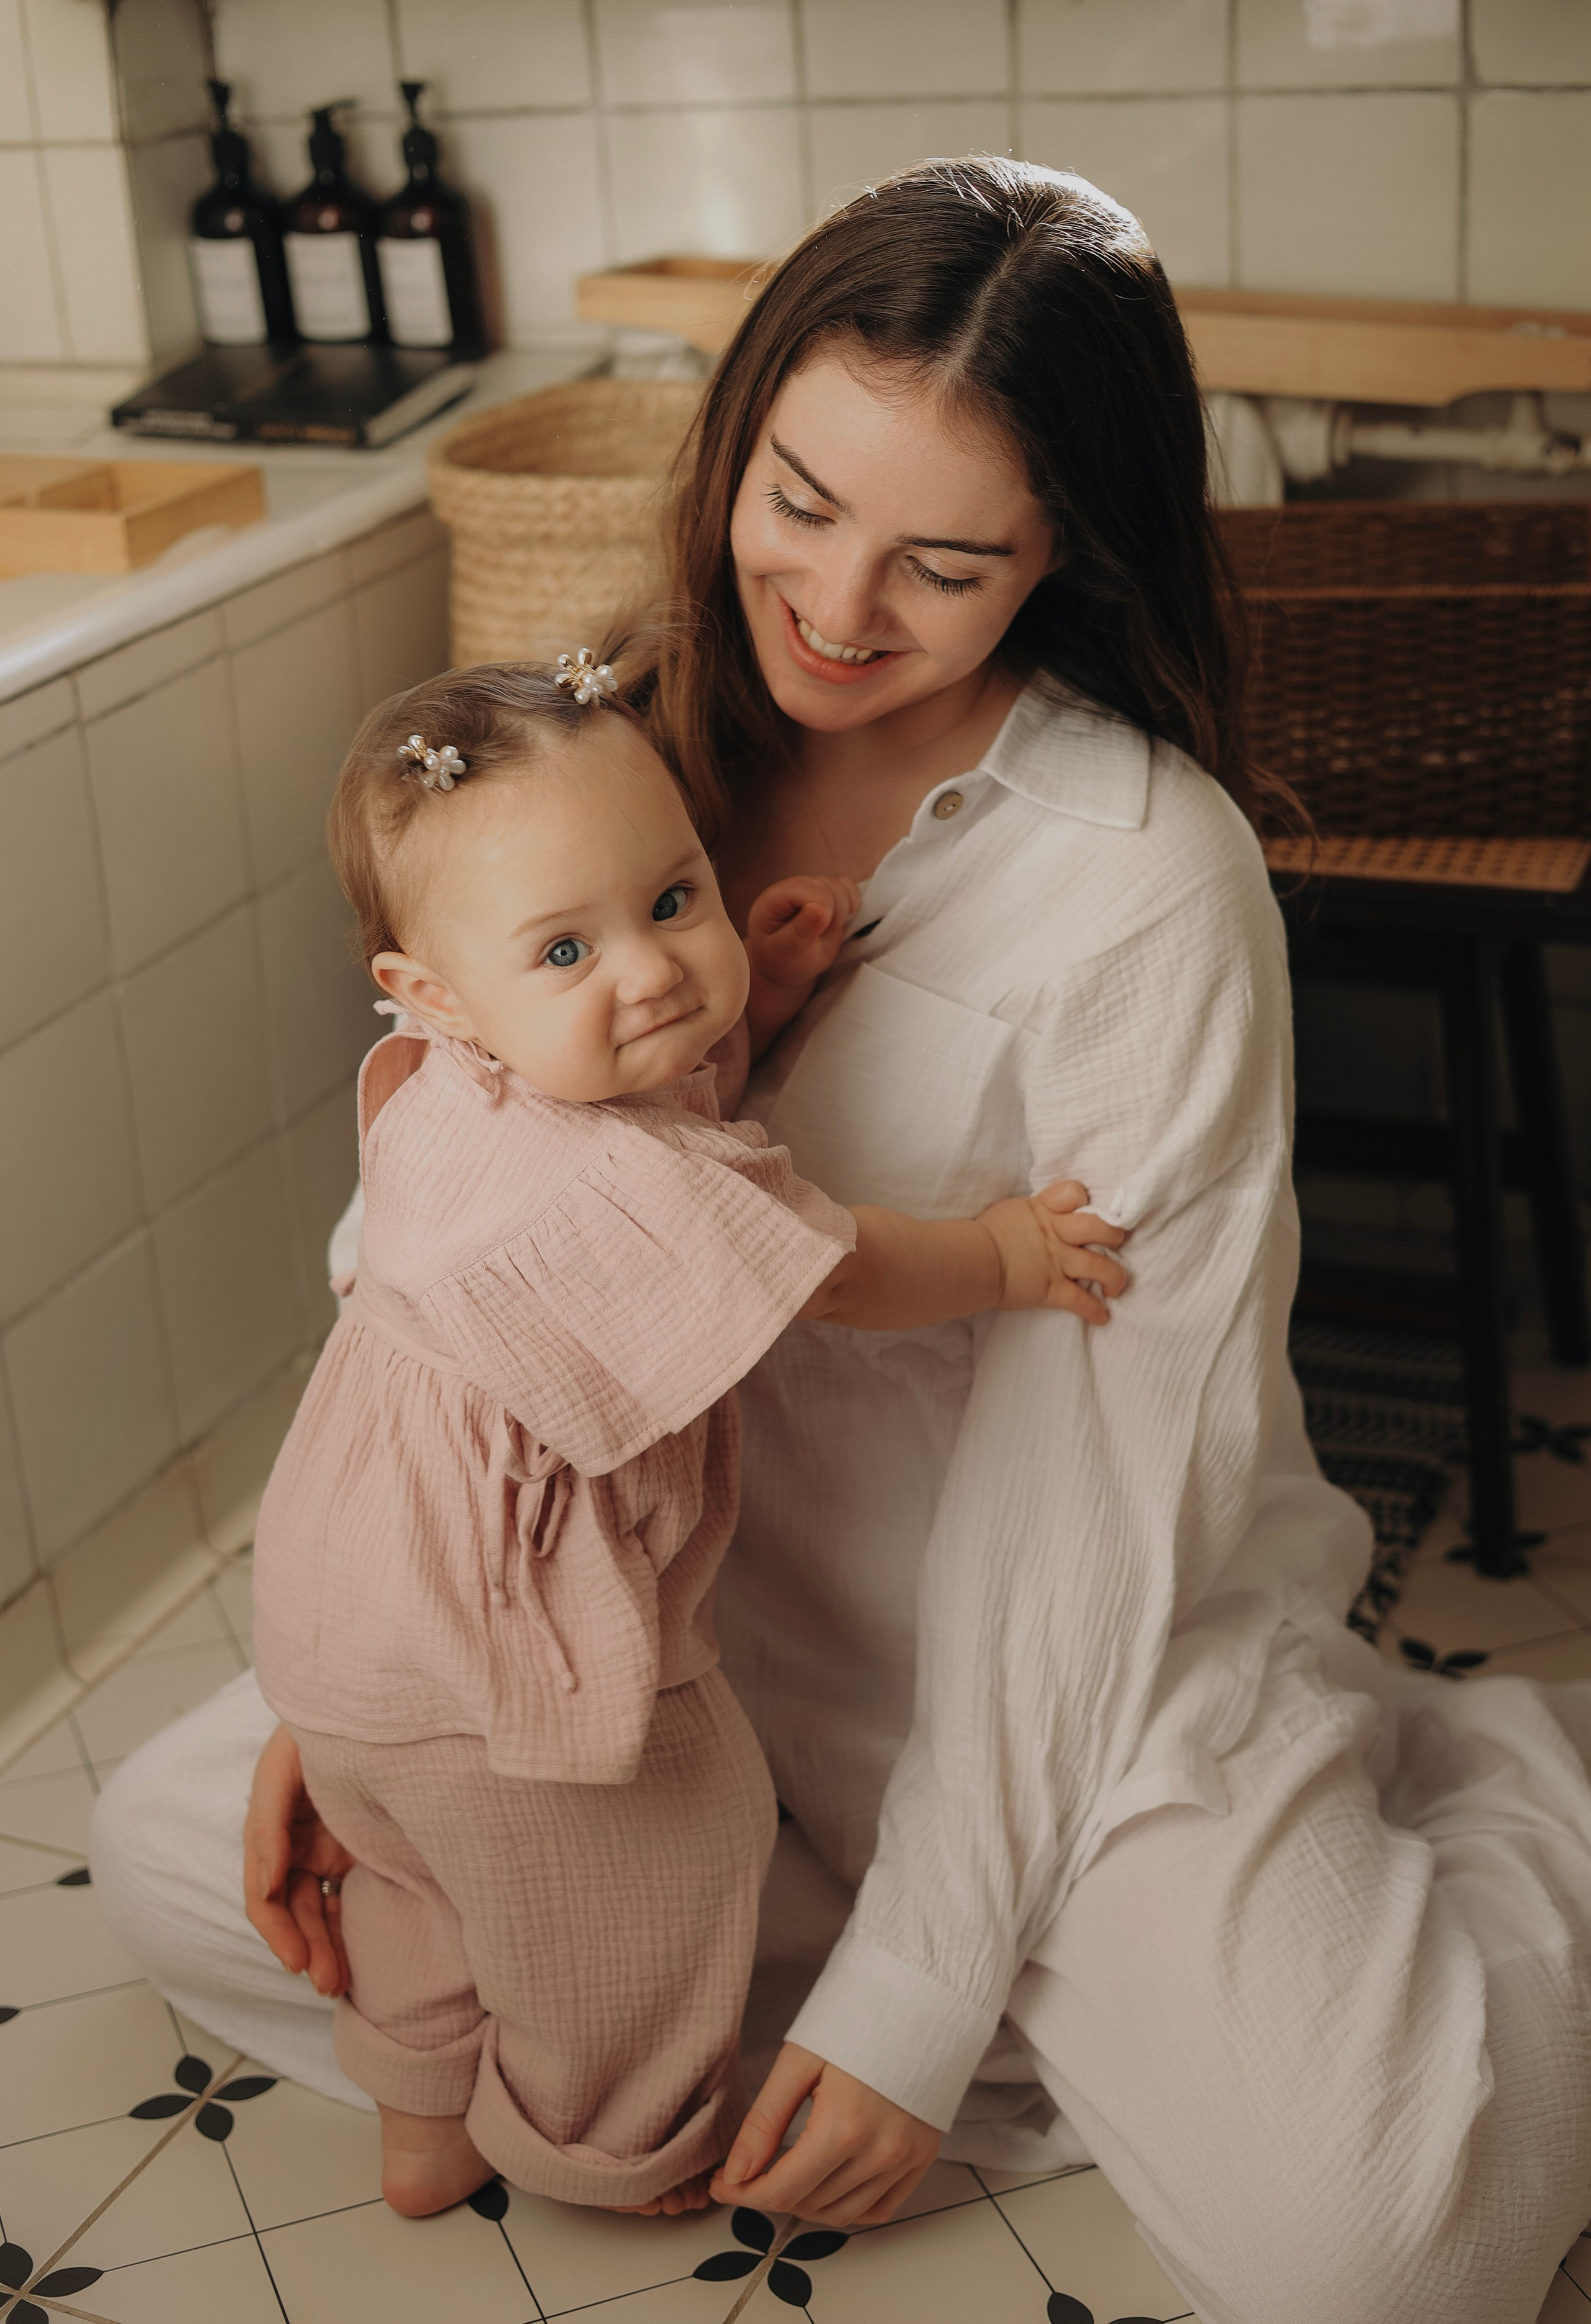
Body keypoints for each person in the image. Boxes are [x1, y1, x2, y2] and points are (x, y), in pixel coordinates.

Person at [91, 160, 1591, 2324]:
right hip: (647, 1657)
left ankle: (1490, 1803)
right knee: (179, 1844)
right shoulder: (605, 749)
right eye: (796, 499)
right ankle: (819, 1955)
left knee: (1380, 2257)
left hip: (1063, 1667)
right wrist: (367, 1695)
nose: (838, 606)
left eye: (947, 559)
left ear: (1067, 549)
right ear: (737, 432)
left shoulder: (1145, 877)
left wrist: (917, 1976)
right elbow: (438, 1249)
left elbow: (1095, 1482)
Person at [249, 658, 1117, 2219]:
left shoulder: (459, 1086)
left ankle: (423, 2126)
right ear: (431, 992)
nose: (649, 974)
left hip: (339, 1635)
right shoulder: (614, 1190)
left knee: (413, 1873)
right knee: (642, 1869)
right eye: (568, 946)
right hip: (497, 1657)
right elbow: (831, 1269)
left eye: (672, 899)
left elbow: (639, 1083)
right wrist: (999, 1255)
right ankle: (609, 2142)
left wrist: (755, 994)